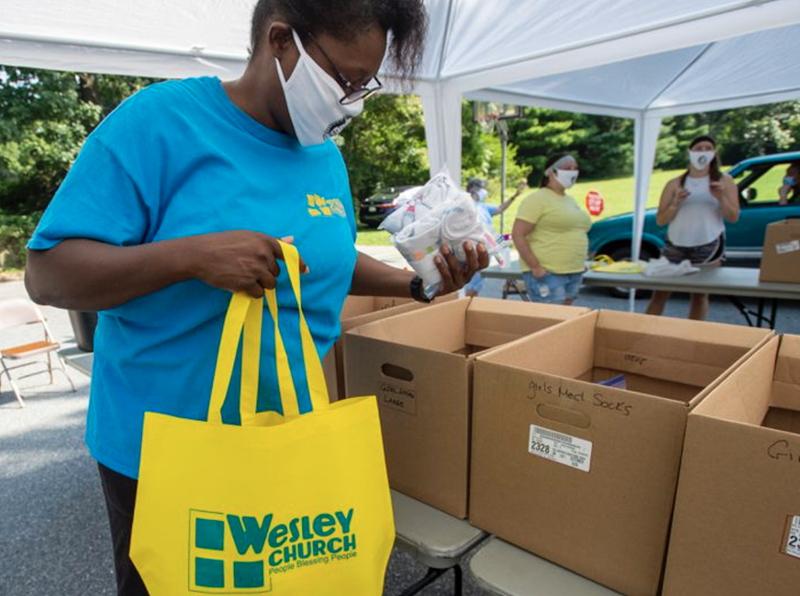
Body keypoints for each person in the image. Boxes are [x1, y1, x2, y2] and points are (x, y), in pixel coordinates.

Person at [23, 2, 488, 595]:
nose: (352, 102)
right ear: (281, 41)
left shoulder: (324, 156)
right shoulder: (159, 124)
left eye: (364, 85)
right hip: (166, 451)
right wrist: (192, 256)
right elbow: (48, 274)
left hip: (286, 436)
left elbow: (326, 259)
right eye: (345, 79)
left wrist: (417, 284)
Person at [646, 135, 739, 320]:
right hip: (676, 244)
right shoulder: (675, 183)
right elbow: (660, 220)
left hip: (709, 243)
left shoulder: (724, 181)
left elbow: (733, 217)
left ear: (714, 153)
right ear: (689, 152)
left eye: (707, 148)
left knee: (699, 295)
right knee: (660, 292)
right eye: (698, 148)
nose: (703, 152)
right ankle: (643, 330)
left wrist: (721, 197)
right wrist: (675, 203)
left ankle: (693, 333)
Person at [512, 154, 591, 305]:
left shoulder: (570, 200)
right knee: (551, 317)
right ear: (551, 172)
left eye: (575, 168)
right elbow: (518, 234)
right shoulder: (537, 199)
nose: (573, 172)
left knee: (565, 316)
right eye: (567, 168)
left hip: (573, 271)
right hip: (548, 273)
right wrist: (535, 266)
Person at [462, 179, 527, 297]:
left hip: (487, 247)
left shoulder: (483, 206)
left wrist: (515, 196)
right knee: (471, 281)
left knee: (478, 282)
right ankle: (465, 303)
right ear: (474, 190)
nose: (485, 191)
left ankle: (471, 301)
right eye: (482, 188)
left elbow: (500, 208)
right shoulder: (465, 207)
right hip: (474, 248)